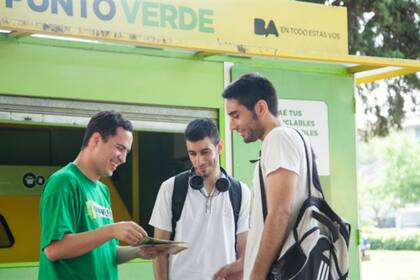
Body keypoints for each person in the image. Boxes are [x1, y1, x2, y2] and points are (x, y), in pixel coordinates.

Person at [39, 111, 167, 280]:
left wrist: (138, 251)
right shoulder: (64, 182)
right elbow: (54, 249)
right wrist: (112, 230)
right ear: (96, 140)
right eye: (120, 148)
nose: (123, 159)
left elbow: (104, 252)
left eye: (127, 152)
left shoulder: (102, 190)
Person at [222, 73, 312, 280]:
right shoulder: (294, 137)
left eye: (236, 115)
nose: (232, 126)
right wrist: (244, 264)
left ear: (261, 108)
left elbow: (279, 214)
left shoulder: (278, 138)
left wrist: (256, 276)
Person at [149, 118, 251, 280]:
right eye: (192, 153)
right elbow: (159, 251)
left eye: (205, 152)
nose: (199, 161)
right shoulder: (170, 188)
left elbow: (244, 253)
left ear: (219, 147)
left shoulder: (241, 192)